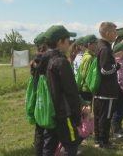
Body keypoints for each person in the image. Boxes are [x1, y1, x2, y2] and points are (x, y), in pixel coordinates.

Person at [40, 25, 81, 155]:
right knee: (72, 144)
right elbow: (71, 92)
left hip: (49, 111)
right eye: (68, 40)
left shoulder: (43, 59)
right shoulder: (61, 62)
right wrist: (77, 114)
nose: (70, 43)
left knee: (49, 145)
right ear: (60, 42)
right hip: (64, 113)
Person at [94, 22, 120, 148]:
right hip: (106, 90)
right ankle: (104, 142)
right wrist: (117, 66)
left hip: (100, 90)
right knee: (106, 117)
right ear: (108, 33)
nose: (116, 34)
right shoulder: (105, 48)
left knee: (99, 117)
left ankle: (98, 140)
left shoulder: (99, 46)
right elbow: (105, 70)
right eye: (115, 32)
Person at [30, 32, 47, 156]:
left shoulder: (36, 59)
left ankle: (38, 149)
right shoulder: (42, 60)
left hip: (38, 97)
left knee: (39, 129)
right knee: (43, 129)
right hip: (43, 98)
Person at [111, 42, 123, 138]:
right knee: (119, 111)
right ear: (122, 52)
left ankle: (119, 128)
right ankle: (115, 130)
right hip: (120, 90)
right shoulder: (118, 62)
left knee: (122, 110)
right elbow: (120, 79)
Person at [76, 34, 97, 102]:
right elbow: (85, 74)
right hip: (87, 89)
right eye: (95, 43)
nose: (96, 45)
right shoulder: (89, 57)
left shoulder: (88, 55)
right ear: (89, 44)